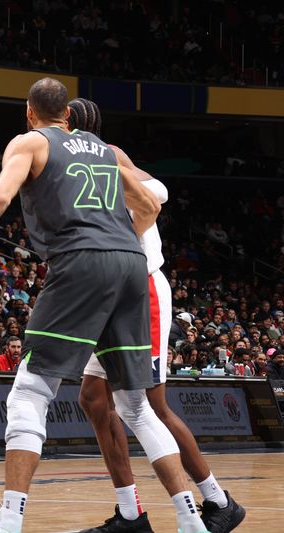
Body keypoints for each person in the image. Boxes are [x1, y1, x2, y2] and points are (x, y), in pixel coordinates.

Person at [0, 78, 206, 533]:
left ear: (29, 112)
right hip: (132, 266)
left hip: (81, 262)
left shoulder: (30, 142)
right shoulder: (103, 150)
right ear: (67, 115)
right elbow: (150, 204)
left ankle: (9, 522)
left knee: (30, 391)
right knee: (136, 406)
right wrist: (121, 240)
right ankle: (191, 520)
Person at [69, 97, 245, 533]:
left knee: (149, 405)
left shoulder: (104, 154)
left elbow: (157, 193)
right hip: (105, 291)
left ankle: (217, 502)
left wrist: (122, 227)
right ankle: (130, 514)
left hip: (137, 285)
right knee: (93, 398)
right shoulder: (67, 159)